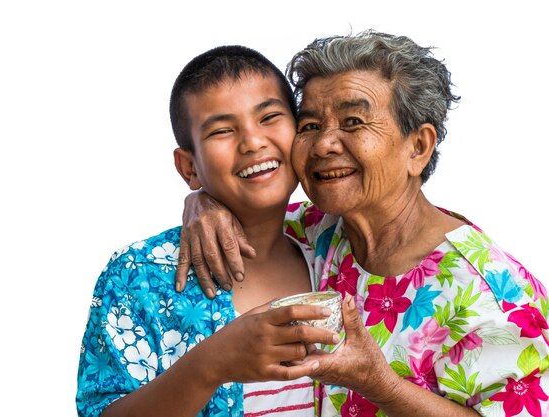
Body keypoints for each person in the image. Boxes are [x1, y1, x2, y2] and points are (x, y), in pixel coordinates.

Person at [176, 31, 549, 417]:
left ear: (417, 147)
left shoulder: (495, 295)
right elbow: (252, 205)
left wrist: (379, 384)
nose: (323, 145)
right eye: (310, 125)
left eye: (353, 121)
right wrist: (202, 202)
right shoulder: (316, 232)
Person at [75, 45, 341, 417]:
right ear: (189, 168)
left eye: (269, 117)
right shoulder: (138, 276)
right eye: (221, 131)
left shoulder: (337, 244)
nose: (252, 141)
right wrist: (212, 363)